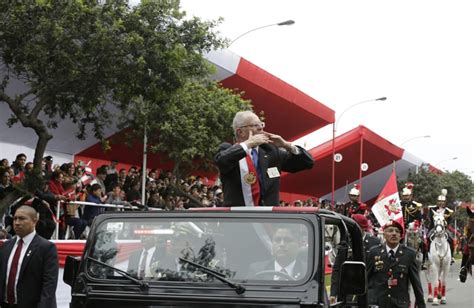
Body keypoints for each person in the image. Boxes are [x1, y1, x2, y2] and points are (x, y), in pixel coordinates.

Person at [215, 110, 314, 206]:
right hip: (240, 218)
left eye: (261, 124)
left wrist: (286, 145)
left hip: (268, 219)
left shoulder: (270, 151)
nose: (260, 128)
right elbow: (221, 161)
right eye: (255, 125)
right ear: (240, 132)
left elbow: (307, 163)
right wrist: (248, 144)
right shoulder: (228, 149)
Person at [0, 205, 58, 307]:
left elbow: (49, 284)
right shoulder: (6, 246)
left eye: (22, 219)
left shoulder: (46, 248)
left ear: (34, 221)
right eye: (15, 219)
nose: (17, 223)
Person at [366, 220, 425, 308]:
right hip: (378, 303)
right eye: (390, 231)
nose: (394, 234)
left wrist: (421, 304)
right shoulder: (374, 252)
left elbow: (416, 283)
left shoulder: (409, 254)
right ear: (384, 234)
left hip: (400, 303)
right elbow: (366, 278)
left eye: (397, 231)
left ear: (401, 236)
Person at [330, 214, 380, 305]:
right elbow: (337, 268)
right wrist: (333, 293)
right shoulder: (345, 242)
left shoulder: (375, 242)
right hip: (349, 289)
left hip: (370, 289)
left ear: (363, 228)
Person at [427, 191, 455, 264]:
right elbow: (429, 218)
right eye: (439, 201)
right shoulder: (432, 209)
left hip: (444, 229)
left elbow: (450, 220)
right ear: (437, 202)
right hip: (434, 227)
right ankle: (427, 256)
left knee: (451, 239)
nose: (441, 203)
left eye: (443, 201)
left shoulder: (448, 211)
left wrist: (446, 223)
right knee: (428, 238)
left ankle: (451, 256)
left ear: (445, 202)